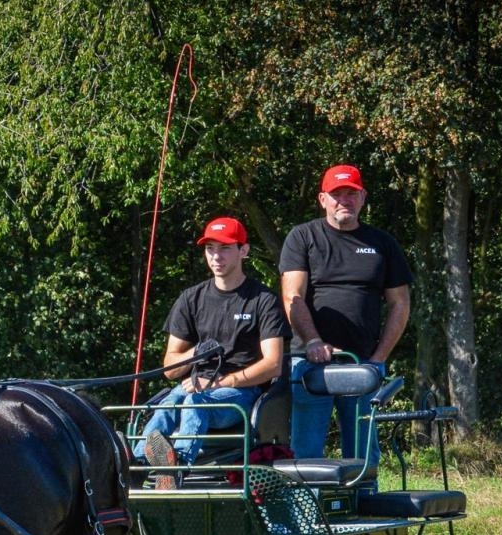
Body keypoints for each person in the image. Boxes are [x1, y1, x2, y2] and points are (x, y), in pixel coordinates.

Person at [134, 216, 288, 486]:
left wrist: (220, 381)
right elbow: (170, 369)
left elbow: (273, 364)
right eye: (210, 249)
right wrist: (195, 354)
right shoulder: (190, 299)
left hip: (242, 393)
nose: (216, 256)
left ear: (244, 250)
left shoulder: (263, 300)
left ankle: (177, 466)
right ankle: (136, 467)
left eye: (225, 248)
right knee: (168, 403)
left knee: (196, 401)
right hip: (194, 385)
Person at [280, 164, 413, 463]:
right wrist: (313, 341)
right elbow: (292, 295)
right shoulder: (303, 237)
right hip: (310, 364)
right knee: (306, 454)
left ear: (363, 197)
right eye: (336, 194)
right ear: (323, 199)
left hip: (362, 364)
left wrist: (378, 359)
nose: (344, 201)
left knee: (364, 453)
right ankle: (308, 509)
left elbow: (400, 304)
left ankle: (362, 507)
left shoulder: (383, 243)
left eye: (351, 194)